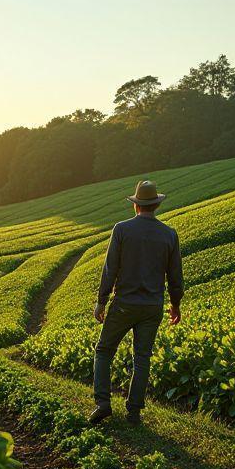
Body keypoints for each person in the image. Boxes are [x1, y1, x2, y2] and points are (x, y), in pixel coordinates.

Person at [89, 180, 183, 426]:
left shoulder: (121, 230)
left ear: (136, 205)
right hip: (152, 307)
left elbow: (111, 269)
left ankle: (103, 403)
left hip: (124, 303)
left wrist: (101, 301)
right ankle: (134, 412)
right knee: (142, 358)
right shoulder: (169, 234)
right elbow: (175, 277)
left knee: (104, 350)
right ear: (156, 206)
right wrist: (175, 305)